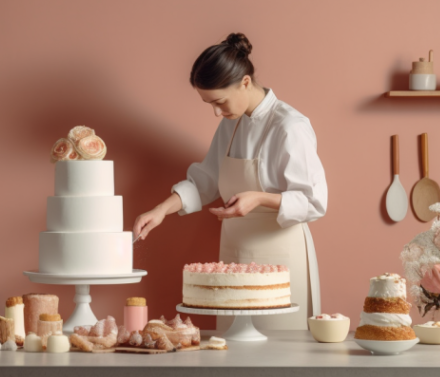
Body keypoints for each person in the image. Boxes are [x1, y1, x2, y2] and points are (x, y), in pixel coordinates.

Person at [132, 33, 328, 330]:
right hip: (234, 257)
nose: (216, 112)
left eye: (219, 102)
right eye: (209, 103)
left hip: (280, 258)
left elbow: (314, 201)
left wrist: (259, 198)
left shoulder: (290, 126)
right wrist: (161, 210)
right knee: (234, 351)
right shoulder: (230, 124)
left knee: (279, 357)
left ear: (245, 82)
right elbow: (205, 180)